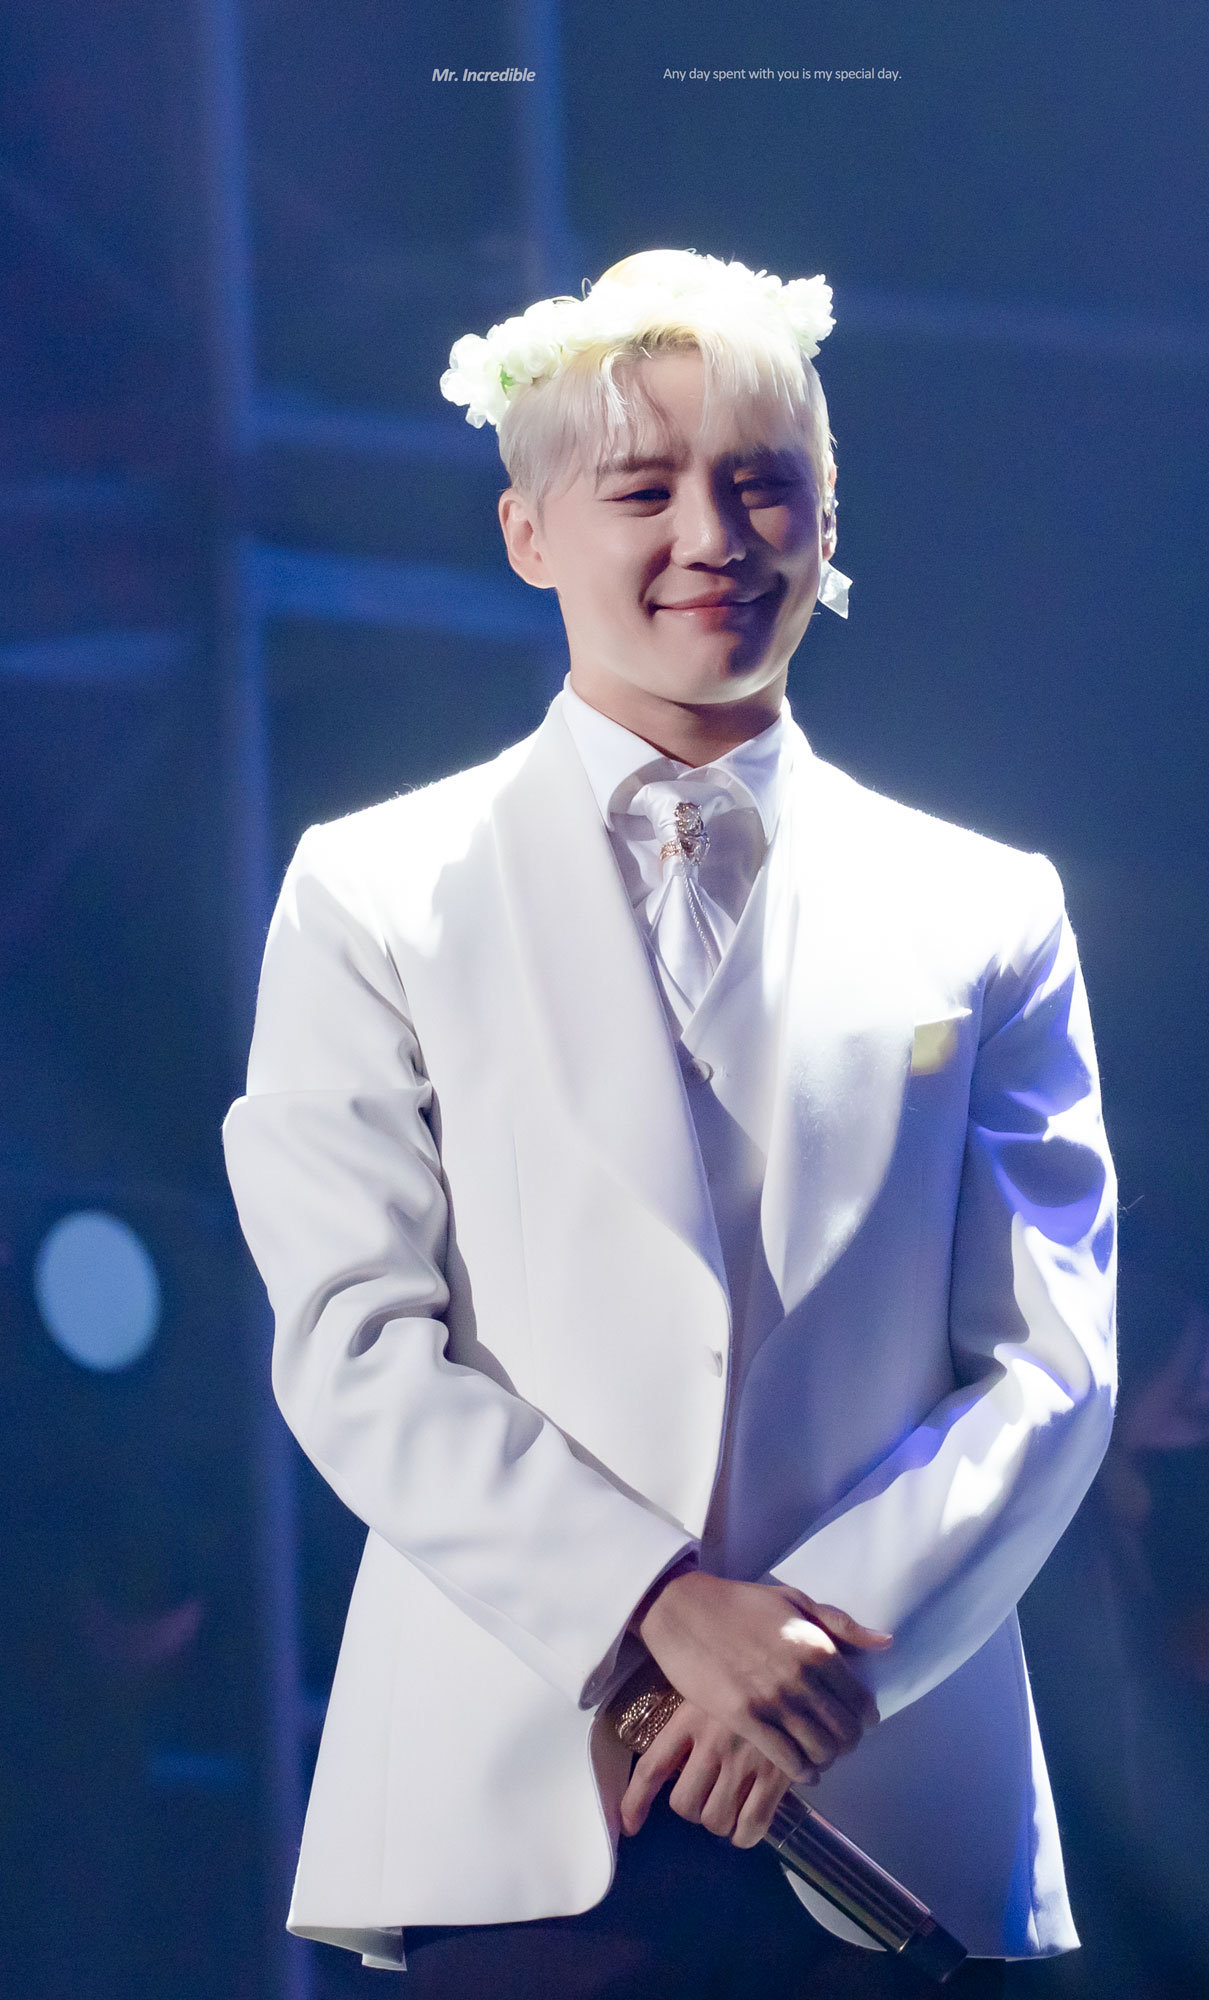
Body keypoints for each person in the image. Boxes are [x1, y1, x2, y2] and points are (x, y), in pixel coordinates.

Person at [221, 249, 1118, 1999]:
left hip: (884, 1802)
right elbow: (352, 1341)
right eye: (642, 489)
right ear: (527, 531)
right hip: (515, 1787)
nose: (712, 535)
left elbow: (1049, 1365)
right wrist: (658, 1609)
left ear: (825, 517)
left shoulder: (987, 903)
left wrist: (820, 1653)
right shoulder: (372, 888)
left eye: (760, 483)